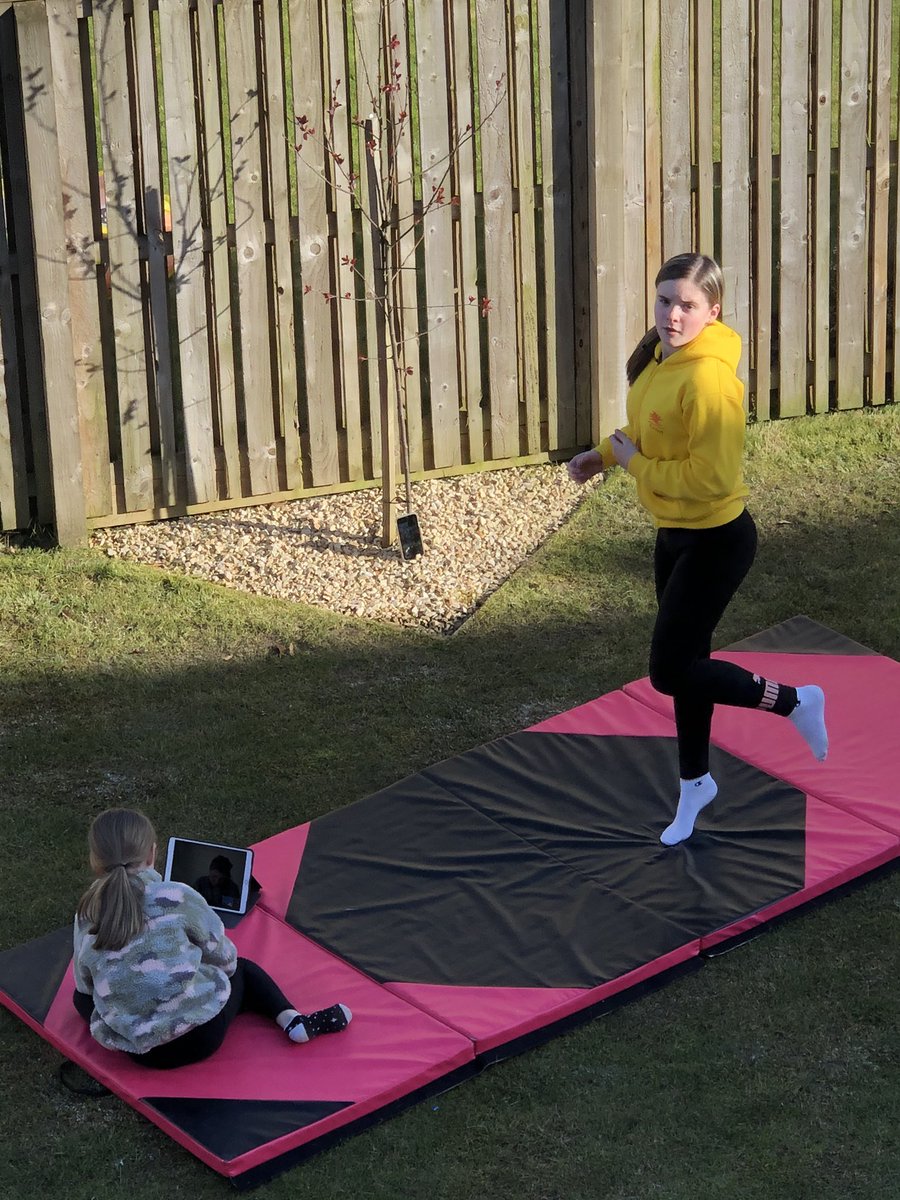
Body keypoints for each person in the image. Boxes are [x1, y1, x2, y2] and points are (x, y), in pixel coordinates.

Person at [568, 252, 828, 846]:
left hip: (717, 539)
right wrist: (605, 455)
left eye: (687, 305)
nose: (672, 314)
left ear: (713, 311)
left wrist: (634, 467)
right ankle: (695, 785)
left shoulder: (711, 380)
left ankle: (795, 702)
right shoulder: (661, 357)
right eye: (664, 301)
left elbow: (709, 479)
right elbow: (650, 429)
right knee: (689, 670)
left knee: (669, 670)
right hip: (675, 535)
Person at [72, 808, 352, 1068]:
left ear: (95, 860)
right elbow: (226, 960)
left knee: (79, 998)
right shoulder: (178, 895)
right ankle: (292, 1020)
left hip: (139, 1051)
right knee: (244, 970)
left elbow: (84, 987)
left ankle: (132, 1018)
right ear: (152, 854)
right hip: (202, 1037)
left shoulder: (87, 911)